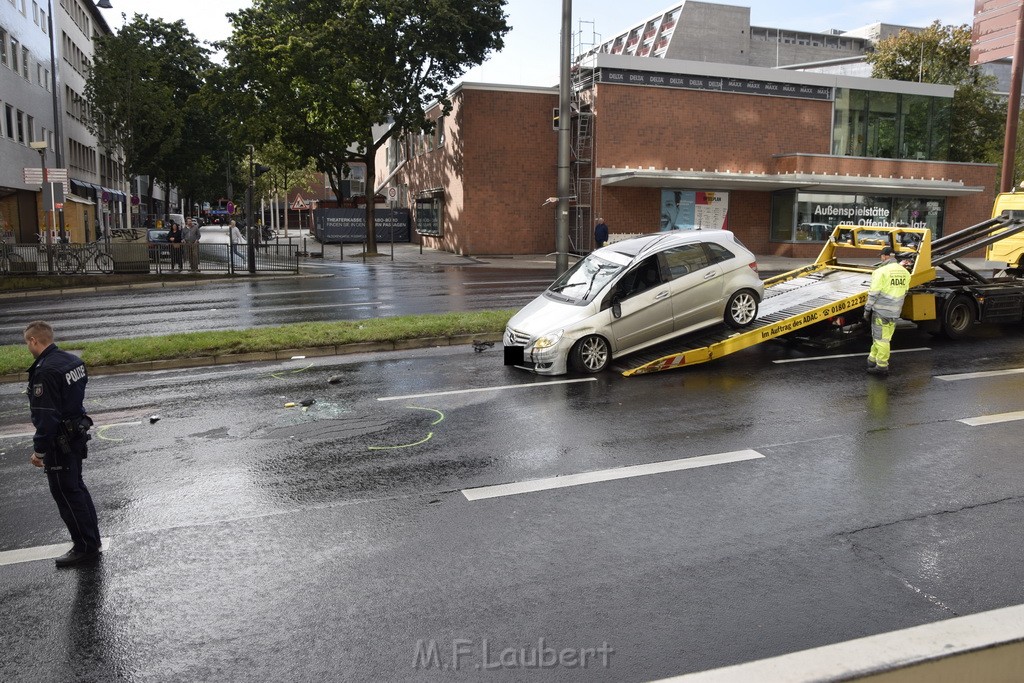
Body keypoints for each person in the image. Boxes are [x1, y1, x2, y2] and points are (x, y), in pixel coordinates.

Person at [24, 321, 101, 568]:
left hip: (60, 441)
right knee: (77, 488)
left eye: (27, 343)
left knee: (67, 494)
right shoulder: (72, 361)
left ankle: (85, 549)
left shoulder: (45, 371)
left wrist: (39, 451)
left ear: (34, 341)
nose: (28, 347)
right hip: (76, 433)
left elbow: (46, 417)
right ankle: (92, 541)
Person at [863, 246, 911, 377]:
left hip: (881, 311)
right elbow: (905, 291)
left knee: (881, 340)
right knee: (882, 338)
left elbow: (873, 293)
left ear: (885, 256)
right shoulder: (905, 272)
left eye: (881, 256)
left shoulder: (881, 272)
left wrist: (867, 309)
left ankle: (882, 366)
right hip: (895, 312)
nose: (881, 258)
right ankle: (872, 360)